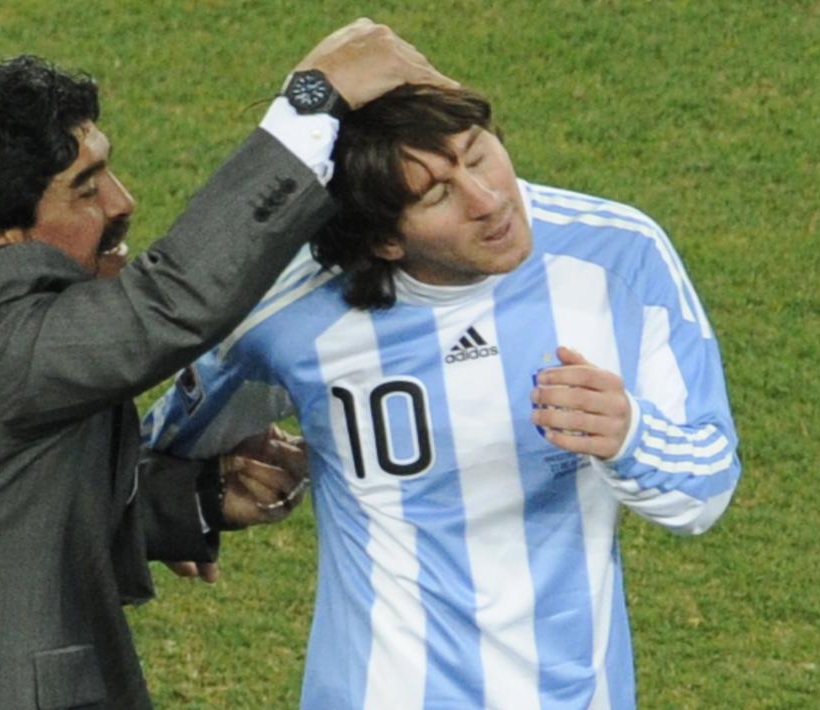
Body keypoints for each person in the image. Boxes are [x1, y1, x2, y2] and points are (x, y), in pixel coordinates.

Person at [0, 21, 456, 710]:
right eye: (85, 187)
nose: (122, 202)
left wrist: (192, 499)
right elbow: (172, 301)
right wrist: (312, 101)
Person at [144, 84, 742, 709]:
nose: (489, 201)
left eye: (478, 155)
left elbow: (706, 488)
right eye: (438, 194)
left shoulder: (618, 255)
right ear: (385, 241)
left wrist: (630, 436)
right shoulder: (291, 313)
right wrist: (191, 506)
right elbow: (157, 451)